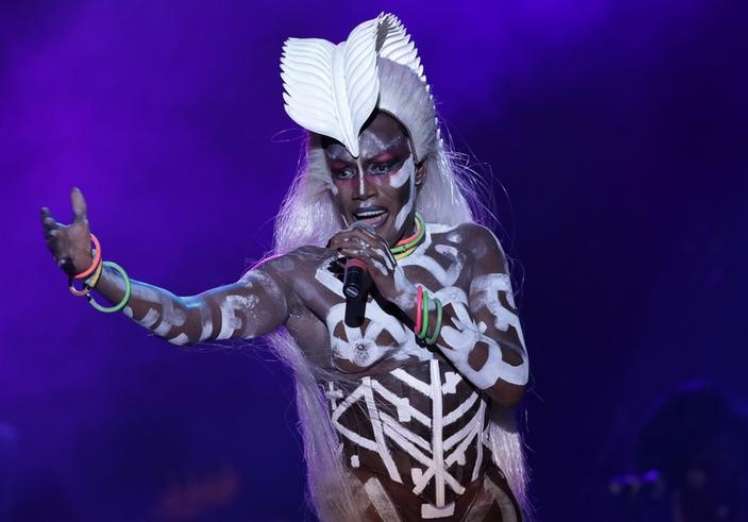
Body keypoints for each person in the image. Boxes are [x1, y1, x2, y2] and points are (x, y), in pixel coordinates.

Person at [40, 13, 530, 522]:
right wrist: (98, 273)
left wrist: (407, 296)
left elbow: (510, 381)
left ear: (418, 169)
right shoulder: (302, 279)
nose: (363, 191)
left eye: (382, 166)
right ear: (328, 181)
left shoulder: (470, 250)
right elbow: (189, 319)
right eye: (344, 172)